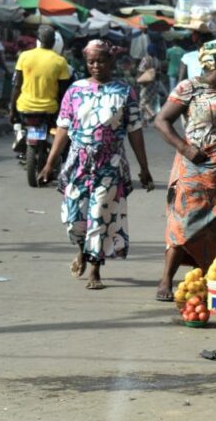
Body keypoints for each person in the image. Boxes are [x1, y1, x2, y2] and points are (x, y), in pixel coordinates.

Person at [38, 40, 153, 291]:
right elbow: (63, 128)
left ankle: (95, 268)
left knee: (100, 216)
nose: (96, 66)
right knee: (75, 217)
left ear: (111, 61)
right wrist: (49, 164)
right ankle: (81, 250)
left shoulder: (125, 92)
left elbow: (135, 132)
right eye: (91, 62)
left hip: (109, 164)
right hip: (78, 162)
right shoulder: (74, 91)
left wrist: (144, 168)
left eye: (101, 60)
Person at [154, 39, 216, 301]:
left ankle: (209, 277)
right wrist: (185, 149)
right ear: (214, 62)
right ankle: (166, 280)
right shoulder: (189, 87)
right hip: (197, 168)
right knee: (184, 222)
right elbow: (161, 121)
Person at [10, 26, 71, 148]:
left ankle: (20, 132)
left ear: (37, 40)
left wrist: (12, 110)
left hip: (24, 106)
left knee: (18, 121)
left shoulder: (24, 56)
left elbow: (17, 86)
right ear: (54, 42)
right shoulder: (60, 61)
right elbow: (63, 91)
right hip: (50, 108)